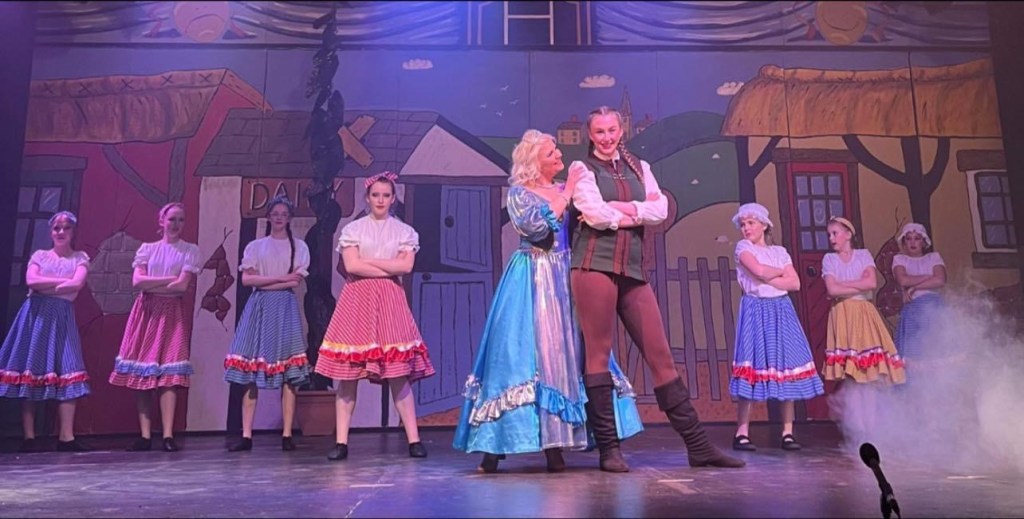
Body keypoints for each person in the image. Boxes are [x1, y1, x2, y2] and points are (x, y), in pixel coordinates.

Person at [452, 130, 643, 473]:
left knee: (572, 352)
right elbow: (538, 229)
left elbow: (597, 216)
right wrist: (567, 193)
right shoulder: (520, 193)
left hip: (566, 275)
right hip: (532, 274)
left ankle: (560, 446)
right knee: (517, 355)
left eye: (557, 150)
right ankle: (494, 447)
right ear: (534, 161)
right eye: (551, 152)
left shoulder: (565, 188)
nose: (559, 156)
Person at [568, 106, 745, 472]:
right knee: (598, 355)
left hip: (632, 269)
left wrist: (620, 208)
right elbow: (595, 215)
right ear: (590, 134)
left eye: (612, 130)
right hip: (594, 265)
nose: (606, 137)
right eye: (599, 131)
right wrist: (633, 212)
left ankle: (698, 446)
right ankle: (608, 450)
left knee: (660, 354)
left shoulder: (639, 167)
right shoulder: (582, 169)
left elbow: (660, 210)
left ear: (621, 130)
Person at [316, 172, 435, 461]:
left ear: (393, 199)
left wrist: (368, 262)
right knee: (348, 374)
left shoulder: (404, 232)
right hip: (357, 299)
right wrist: (387, 265)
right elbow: (351, 266)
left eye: (386, 195)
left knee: (397, 373)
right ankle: (341, 441)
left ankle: (414, 439)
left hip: (390, 299)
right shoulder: (353, 229)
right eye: (375, 195)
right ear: (368, 198)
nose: (380, 200)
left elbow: (405, 268)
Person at [728, 203, 824, 452]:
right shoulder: (743, 248)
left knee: (786, 365)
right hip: (756, 308)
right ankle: (742, 432)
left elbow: (795, 284)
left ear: (764, 225)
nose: (746, 228)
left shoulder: (780, 252)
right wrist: (780, 273)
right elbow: (758, 271)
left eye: (751, 223)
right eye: (743, 224)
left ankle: (787, 432)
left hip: (781, 310)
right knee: (752, 364)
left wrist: (773, 276)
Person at [110, 202, 201, 452]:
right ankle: (145, 435)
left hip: (171, 312)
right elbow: (138, 282)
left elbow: (182, 286)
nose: (176, 224)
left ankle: (168, 435)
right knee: (144, 372)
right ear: (161, 221)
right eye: (171, 219)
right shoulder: (147, 249)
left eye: (180, 220)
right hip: (147, 312)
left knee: (168, 376)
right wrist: (168, 279)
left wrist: (155, 283)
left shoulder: (189, 250)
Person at [224, 196, 312, 452]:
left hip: (284, 307)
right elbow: (247, 281)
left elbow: (295, 282)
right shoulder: (256, 247)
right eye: (275, 213)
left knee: (289, 373)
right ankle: (247, 434)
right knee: (252, 369)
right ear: (269, 216)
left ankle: (287, 434)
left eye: (284, 214)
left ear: (289, 218)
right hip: (259, 306)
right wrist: (281, 278)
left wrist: (267, 280)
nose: (279, 218)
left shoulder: (299, 247)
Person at [0, 211, 92, 452]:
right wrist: (61, 283)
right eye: (56, 228)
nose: (61, 232)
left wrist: (47, 285)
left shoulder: (79, 258)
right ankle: (29, 436)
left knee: (68, 368)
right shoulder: (40, 256)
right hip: (36, 316)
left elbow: (77, 284)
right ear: (51, 232)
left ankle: (66, 437)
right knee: (32, 368)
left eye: (66, 228)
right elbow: (32, 281)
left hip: (62, 317)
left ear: (73, 232)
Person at [821, 216, 906, 439]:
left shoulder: (863, 255)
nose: (831, 238)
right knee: (852, 375)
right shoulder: (829, 259)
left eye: (835, 233)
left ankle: (872, 426)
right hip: (842, 315)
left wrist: (843, 284)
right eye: (829, 234)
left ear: (848, 234)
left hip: (864, 313)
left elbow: (871, 283)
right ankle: (857, 427)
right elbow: (832, 290)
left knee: (869, 373)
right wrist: (855, 285)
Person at [891, 222, 946, 364]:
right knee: (914, 354)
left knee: (937, 350)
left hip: (934, 307)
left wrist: (915, 287)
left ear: (923, 241)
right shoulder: (899, 259)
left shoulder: (933, 257)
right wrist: (929, 277)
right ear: (904, 242)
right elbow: (903, 280)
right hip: (913, 309)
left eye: (917, 238)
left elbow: (940, 280)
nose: (912, 242)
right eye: (908, 239)